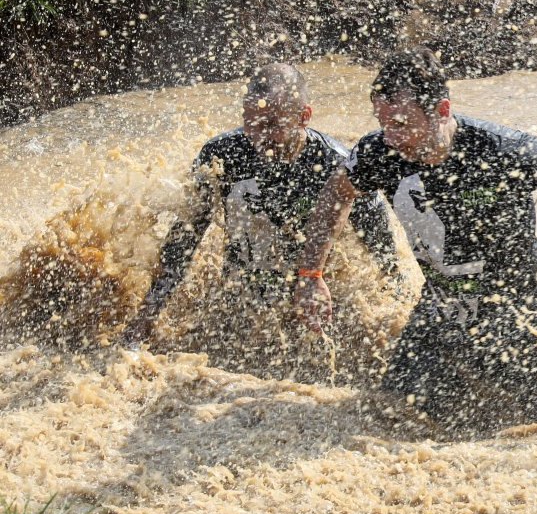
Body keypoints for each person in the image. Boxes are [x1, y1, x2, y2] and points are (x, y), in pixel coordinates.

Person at [293, 46, 537, 431]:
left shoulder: (500, 150)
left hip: (524, 306)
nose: (391, 137)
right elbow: (337, 193)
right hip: (443, 305)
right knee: (393, 415)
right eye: (384, 123)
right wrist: (312, 275)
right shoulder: (377, 153)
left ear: (443, 111)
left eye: (402, 123)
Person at [120, 63, 395, 349]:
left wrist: (395, 301)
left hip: (310, 295)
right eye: (251, 122)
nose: (259, 137)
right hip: (240, 295)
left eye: (273, 125)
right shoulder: (222, 155)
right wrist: (145, 320)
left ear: (304, 117)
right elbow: (185, 239)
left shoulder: (335, 163)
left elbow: (379, 239)